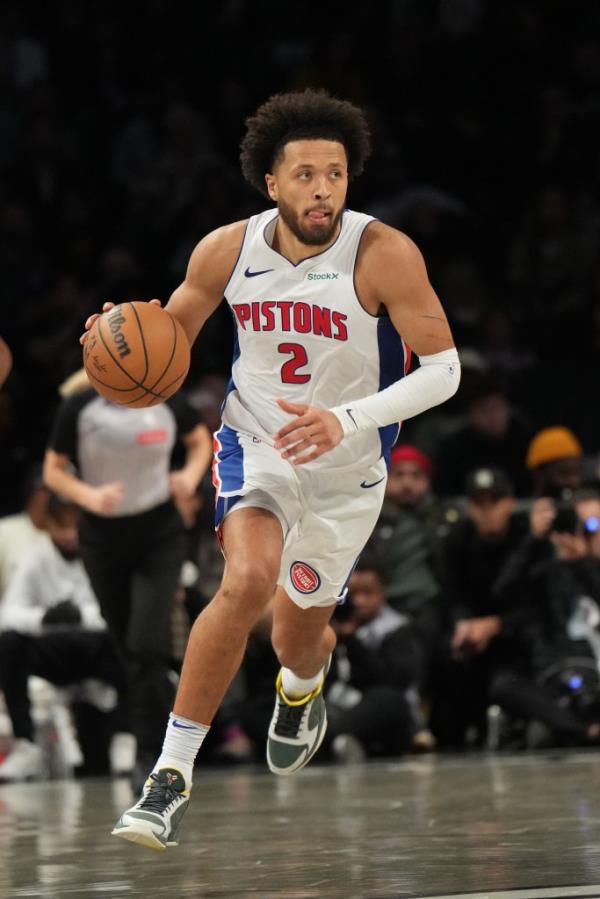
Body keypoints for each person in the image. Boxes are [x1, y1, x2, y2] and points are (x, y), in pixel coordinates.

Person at [82, 88, 460, 851]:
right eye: (307, 174)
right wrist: (112, 340)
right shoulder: (226, 249)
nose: (323, 188)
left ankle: (301, 688)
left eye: (336, 174)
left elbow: (446, 369)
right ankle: (170, 775)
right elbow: (165, 340)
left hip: (348, 468)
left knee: (297, 637)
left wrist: (345, 418)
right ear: (273, 182)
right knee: (246, 578)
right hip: (254, 443)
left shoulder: (383, 251)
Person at [43, 383, 212, 788]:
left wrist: (188, 476)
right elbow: (53, 467)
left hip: (160, 533)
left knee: (147, 645)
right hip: (103, 540)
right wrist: (88, 494)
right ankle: (150, 741)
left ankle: (152, 755)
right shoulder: (81, 406)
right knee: (128, 649)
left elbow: (199, 439)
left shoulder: (166, 397)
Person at [0, 494, 122, 781]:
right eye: (62, 526)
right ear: (49, 526)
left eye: (75, 526)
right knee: (9, 643)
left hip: (94, 649)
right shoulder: (33, 559)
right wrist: (44, 617)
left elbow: (117, 612)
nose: (69, 535)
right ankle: (26, 743)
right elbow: (8, 615)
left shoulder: (101, 558)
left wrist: (82, 615)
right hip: (52, 653)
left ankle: (126, 738)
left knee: (126, 641)